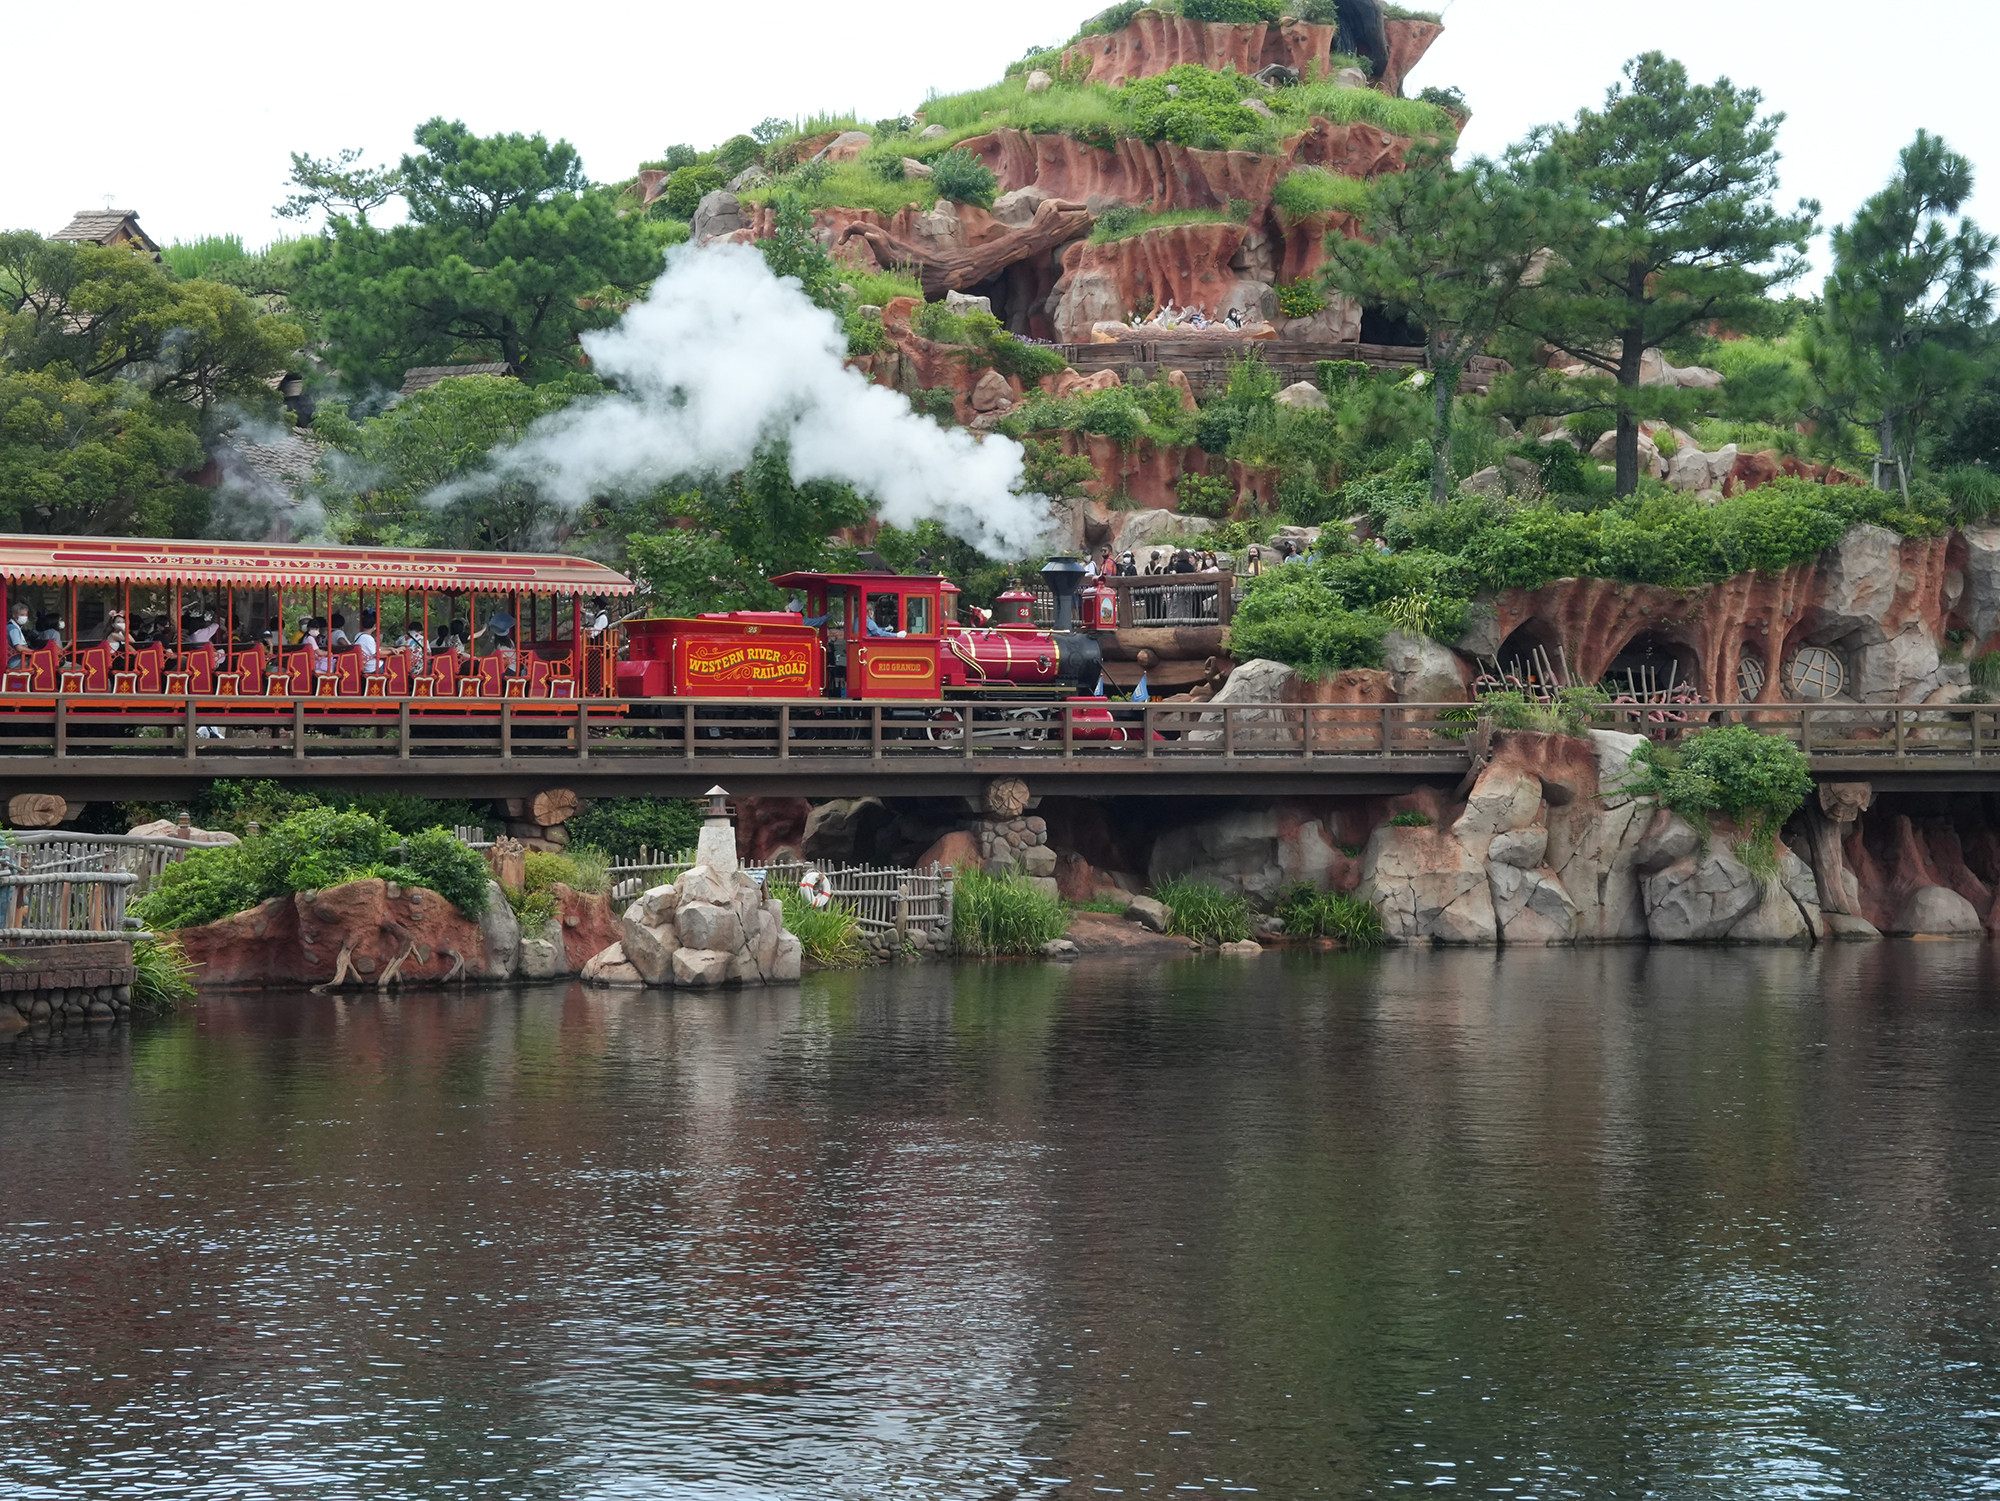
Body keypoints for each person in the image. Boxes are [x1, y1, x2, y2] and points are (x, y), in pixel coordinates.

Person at [354, 609, 380, 674]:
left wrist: (390, 648)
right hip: (372, 667)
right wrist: (392, 651)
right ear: (374, 625)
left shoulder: (358, 635)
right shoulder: (368, 638)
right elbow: (377, 653)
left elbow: (376, 648)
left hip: (366, 665)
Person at [8, 603, 31, 669]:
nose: (24, 617)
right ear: (14, 615)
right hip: (15, 663)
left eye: (26, 615)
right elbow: (19, 648)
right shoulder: (13, 629)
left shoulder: (13, 626)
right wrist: (34, 652)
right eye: (22, 615)